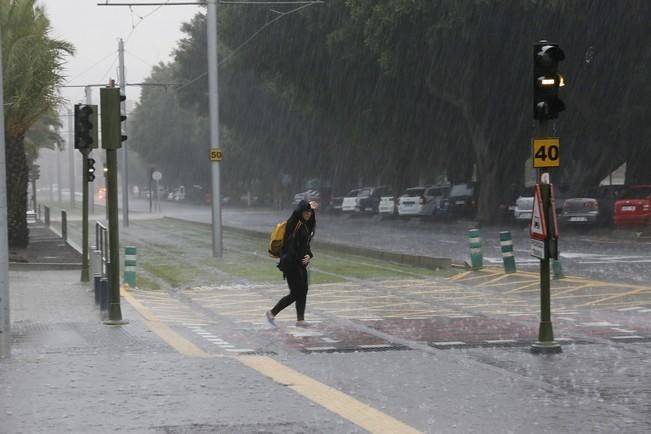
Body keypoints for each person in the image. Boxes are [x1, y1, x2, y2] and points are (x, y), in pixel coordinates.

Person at [266, 200, 317, 327]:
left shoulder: (305, 225)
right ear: (300, 211)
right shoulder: (294, 223)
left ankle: (300, 320)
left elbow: (305, 245)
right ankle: (272, 312)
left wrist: (308, 255)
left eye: (310, 212)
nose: (308, 214)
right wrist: (307, 204)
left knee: (303, 290)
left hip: (300, 264)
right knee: (296, 293)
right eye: (305, 212)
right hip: (291, 264)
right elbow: (293, 246)